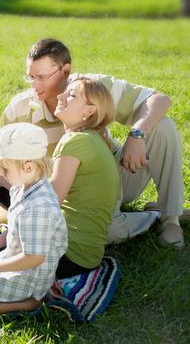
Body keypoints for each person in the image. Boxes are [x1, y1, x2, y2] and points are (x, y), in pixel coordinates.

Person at [0, 38, 187, 249]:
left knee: (163, 125)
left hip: (119, 173)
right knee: (96, 231)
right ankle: (150, 215)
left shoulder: (91, 89)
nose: (35, 85)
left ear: (65, 71)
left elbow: (160, 100)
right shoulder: (20, 108)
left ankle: (170, 219)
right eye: (30, 77)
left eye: (42, 77)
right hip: (68, 194)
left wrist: (137, 135)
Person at [0, 123, 68, 315]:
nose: (0, 173)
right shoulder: (20, 186)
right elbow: (17, 229)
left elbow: (34, 257)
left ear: (27, 166)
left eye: (4, 168)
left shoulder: (38, 208)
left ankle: (33, 302)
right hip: (14, 258)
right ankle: (9, 292)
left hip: (30, 274)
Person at [51, 77, 119, 278]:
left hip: (69, 255)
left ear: (90, 111)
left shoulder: (76, 141)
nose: (60, 96)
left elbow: (49, 202)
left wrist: (6, 184)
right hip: (87, 256)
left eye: (71, 95)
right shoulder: (93, 138)